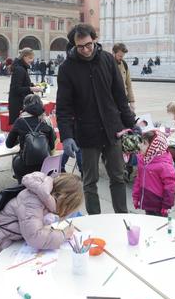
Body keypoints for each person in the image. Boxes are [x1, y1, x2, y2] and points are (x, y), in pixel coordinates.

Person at [56, 23, 136, 215]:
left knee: (118, 176)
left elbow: (120, 96)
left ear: (94, 40)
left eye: (88, 45)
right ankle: (95, 219)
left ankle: (121, 214)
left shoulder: (108, 60)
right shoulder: (67, 68)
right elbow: (63, 107)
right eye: (80, 46)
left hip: (112, 129)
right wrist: (66, 136)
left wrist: (132, 124)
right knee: (90, 181)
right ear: (74, 45)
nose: (85, 50)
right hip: (87, 132)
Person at [6, 94, 56, 182]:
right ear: (41, 105)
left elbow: (9, 144)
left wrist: (20, 140)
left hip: (25, 166)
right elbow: (52, 146)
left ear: (25, 106)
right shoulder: (46, 121)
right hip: (45, 166)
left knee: (16, 160)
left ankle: (21, 186)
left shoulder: (20, 121)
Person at [132, 130, 175, 216]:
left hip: (159, 205)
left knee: (159, 226)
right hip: (147, 202)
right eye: (141, 142)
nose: (140, 145)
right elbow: (138, 180)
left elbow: (170, 186)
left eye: (144, 143)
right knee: (150, 225)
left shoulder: (164, 165)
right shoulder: (144, 160)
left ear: (154, 147)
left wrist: (167, 205)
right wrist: (136, 197)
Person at [8, 47, 41, 125]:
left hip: (20, 103)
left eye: (32, 58)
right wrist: (31, 88)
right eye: (30, 58)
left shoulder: (22, 68)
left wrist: (33, 85)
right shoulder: (19, 69)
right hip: (18, 104)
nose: (31, 60)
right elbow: (16, 89)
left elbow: (23, 82)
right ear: (24, 57)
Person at [113, 42, 135, 112]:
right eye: (120, 56)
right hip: (112, 101)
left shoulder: (124, 64)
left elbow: (129, 84)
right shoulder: (107, 64)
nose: (121, 58)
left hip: (123, 99)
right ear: (113, 53)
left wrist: (132, 101)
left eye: (123, 56)